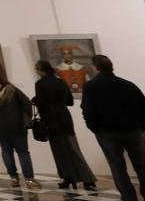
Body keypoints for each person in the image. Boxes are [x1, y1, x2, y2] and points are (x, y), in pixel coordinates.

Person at [81, 54, 145, 201]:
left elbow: (88, 111)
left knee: (118, 168)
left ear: (96, 68)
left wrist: (95, 128)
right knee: (142, 168)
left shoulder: (91, 87)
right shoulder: (127, 85)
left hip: (107, 133)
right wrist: (140, 127)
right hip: (132, 131)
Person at [34, 60, 97, 192]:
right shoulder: (60, 82)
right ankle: (85, 179)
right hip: (64, 116)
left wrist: (35, 100)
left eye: (37, 70)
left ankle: (70, 177)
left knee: (59, 150)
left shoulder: (40, 84)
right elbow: (70, 101)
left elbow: (41, 102)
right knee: (73, 147)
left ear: (41, 70)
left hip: (50, 118)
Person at [0, 68, 38, 188]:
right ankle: (29, 180)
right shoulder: (11, 89)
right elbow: (27, 103)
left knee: (6, 151)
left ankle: (13, 178)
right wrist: (27, 117)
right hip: (17, 125)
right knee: (23, 152)